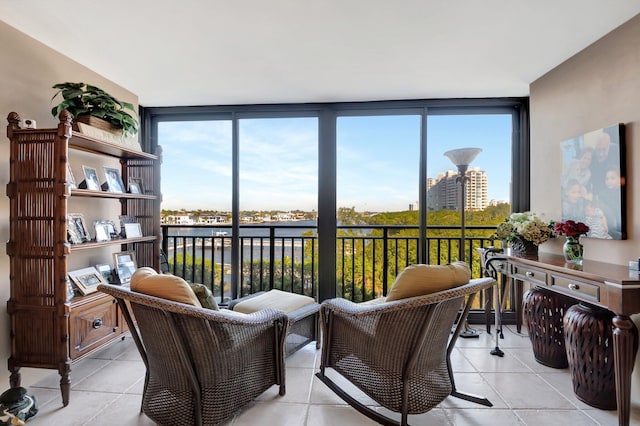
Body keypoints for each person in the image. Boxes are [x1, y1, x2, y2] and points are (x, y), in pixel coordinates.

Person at [589, 132, 620, 200]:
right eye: (598, 150)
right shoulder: (591, 159)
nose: (601, 154)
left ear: (609, 146)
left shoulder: (617, 151)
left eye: (604, 150)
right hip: (600, 194)